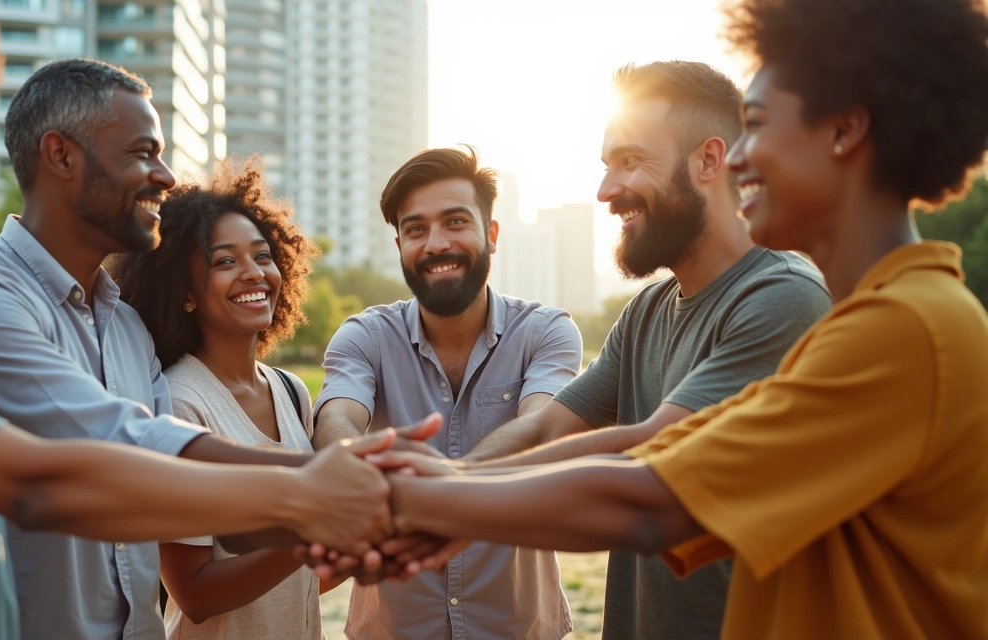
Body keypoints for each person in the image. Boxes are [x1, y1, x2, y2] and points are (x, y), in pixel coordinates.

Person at [0, 2, 399, 639]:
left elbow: (176, 493)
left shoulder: (99, 327)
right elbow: (53, 478)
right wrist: (342, 489)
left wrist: (372, 511)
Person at [367, 0, 988, 638]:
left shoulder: (902, 329)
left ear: (843, 131)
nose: (743, 160)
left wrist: (425, 499)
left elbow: (653, 494)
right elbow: (608, 447)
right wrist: (447, 485)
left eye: (760, 125)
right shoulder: (869, 322)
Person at [0, 58, 440, 639]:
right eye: (143, 152)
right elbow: (130, 447)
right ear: (61, 156)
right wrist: (334, 481)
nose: (165, 177)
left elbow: (187, 503)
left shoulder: (126, 330)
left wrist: (339, 522)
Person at [459, 61, 831, 639]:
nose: (607, 191)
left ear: (709, 161)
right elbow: (545, 431)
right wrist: (450, 479)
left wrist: (438, 501)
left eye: (631, 162)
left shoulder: (781, 297)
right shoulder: (646, 312)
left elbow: (650, 450)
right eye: (607, 167)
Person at [311, 146, 583, 639]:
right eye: (416, 229)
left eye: (455, 221)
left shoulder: (546, 332)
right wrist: (351, 458)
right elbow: (335, 420)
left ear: (491, 235)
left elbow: (543, 427)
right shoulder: (363, 337)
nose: (436, 243)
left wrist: (438, 493)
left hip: (517, 628)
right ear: (399, 246)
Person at [111, 159, 328, 639]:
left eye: (262, 255)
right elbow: (194, 594)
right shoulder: (181, 402)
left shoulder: (291, 392)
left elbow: (300, 579)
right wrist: (318, 527)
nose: (254, 273)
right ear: (186, 291)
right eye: (225, 261)